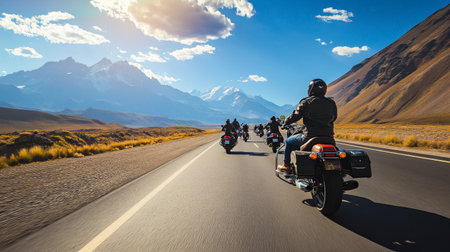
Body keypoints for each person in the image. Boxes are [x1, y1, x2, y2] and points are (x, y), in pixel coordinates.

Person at [277, 79, 337, 174]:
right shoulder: (331, 102)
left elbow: (295, 116)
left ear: (311, 89)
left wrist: (285, 123)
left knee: (288, 142)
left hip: (309, 136)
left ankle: (286, 166)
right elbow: (334, 118)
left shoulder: (306, 102)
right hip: (328, 137)